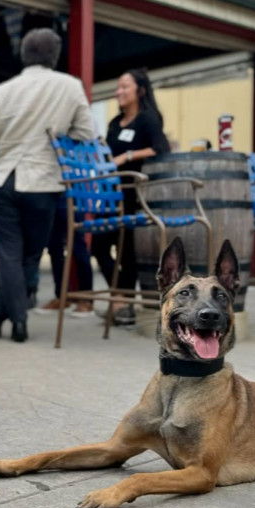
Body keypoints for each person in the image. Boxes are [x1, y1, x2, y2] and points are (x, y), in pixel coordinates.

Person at [0, 27, 94, 343]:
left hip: (3, 178)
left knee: (9, 253)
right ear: (54, 56)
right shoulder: (70, 86)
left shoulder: (1, 91)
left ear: (23, 54)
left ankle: (4, 316)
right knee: (30, 255)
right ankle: (17, 320)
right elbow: (87, 133)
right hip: (43, 182)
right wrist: (58, 131)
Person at [91, 68, 170, 326]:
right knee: (99, 245)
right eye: (118, 87)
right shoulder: (115, 123)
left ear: (141, 90)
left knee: (127, 252)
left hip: (138, 196)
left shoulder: (148, 119)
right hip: (113, 195)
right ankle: (121, 298)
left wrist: (127, 157)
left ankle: (123, 305)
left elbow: (160, 148)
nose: (119, 92)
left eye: (125, 87)